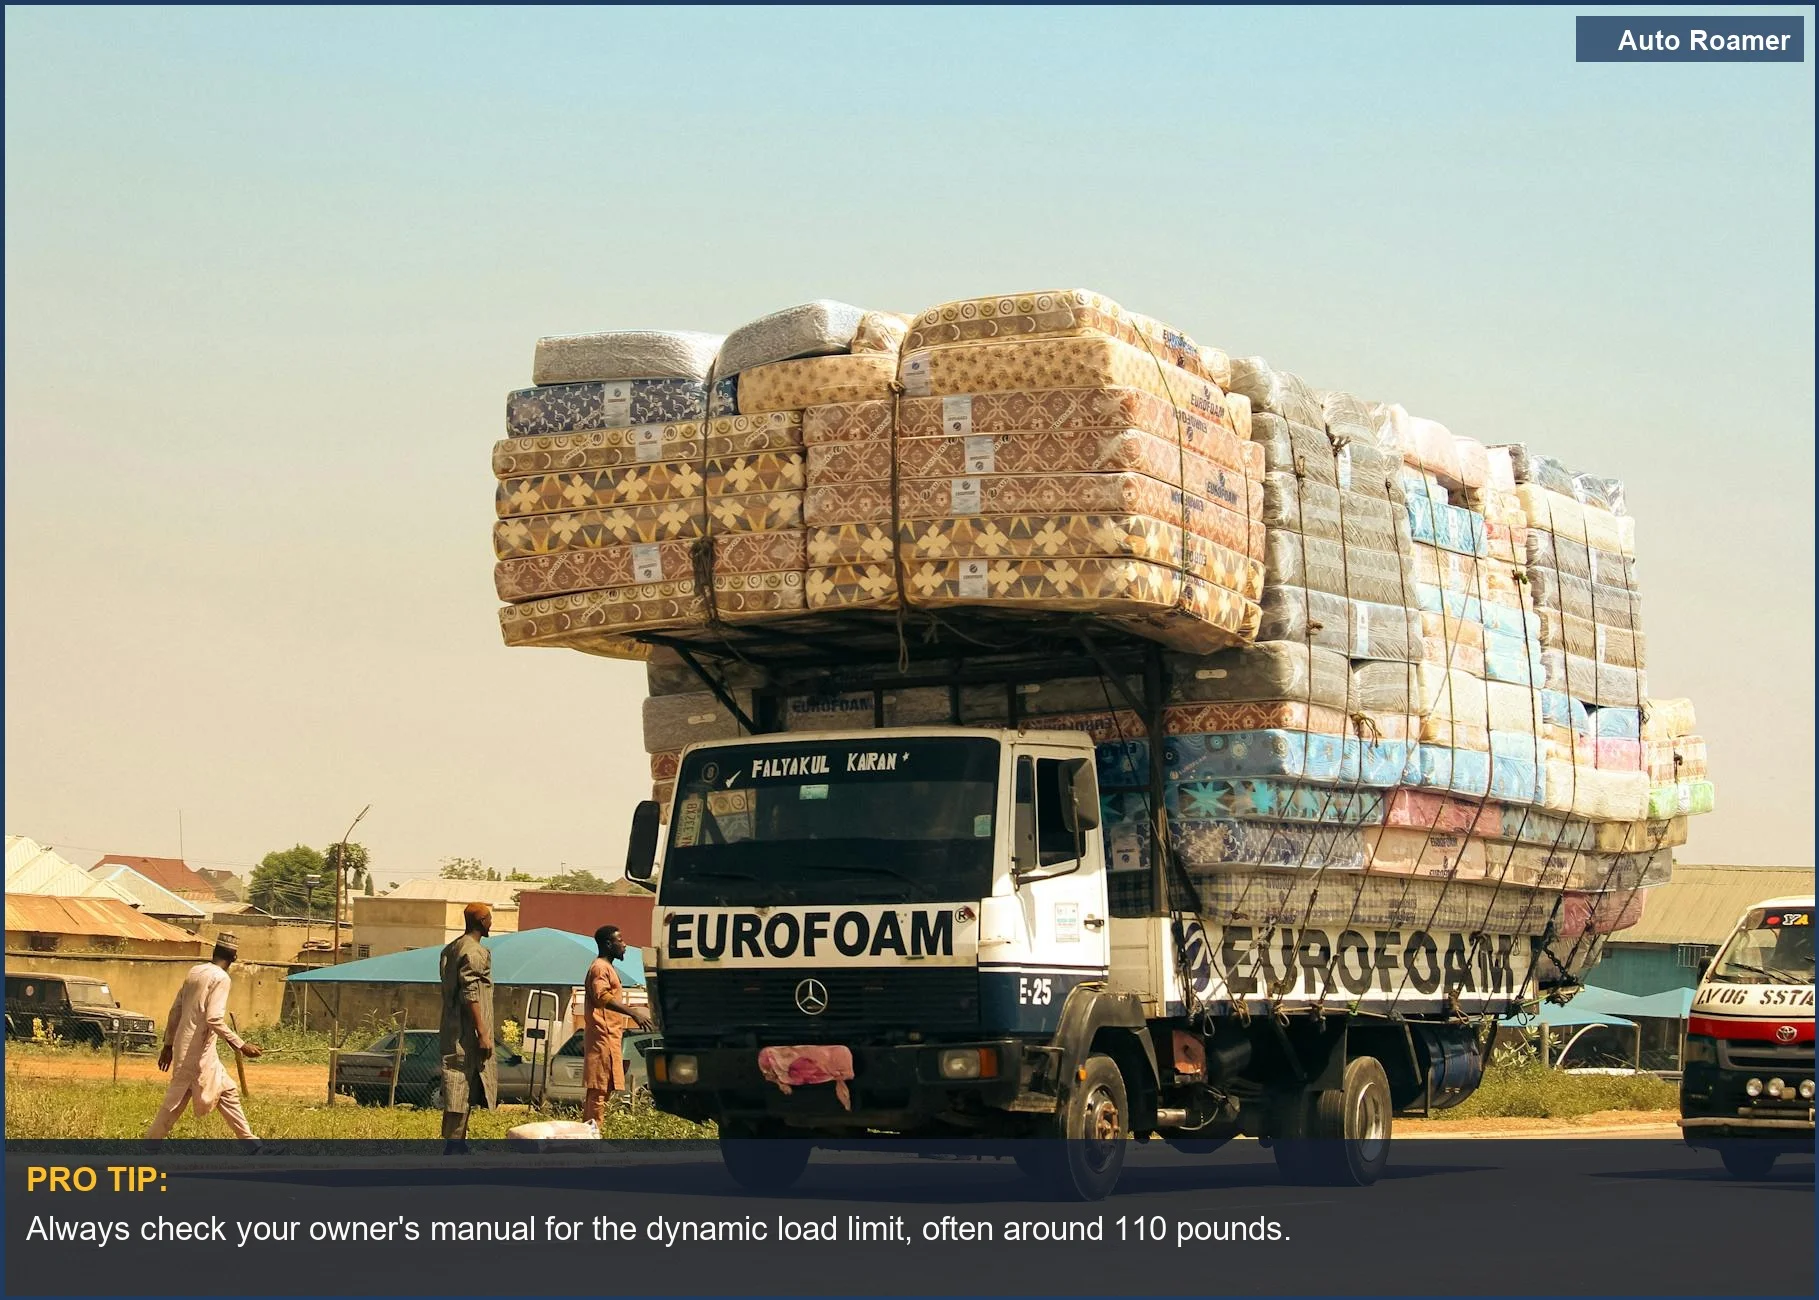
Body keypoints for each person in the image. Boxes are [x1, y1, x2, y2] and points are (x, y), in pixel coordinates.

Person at [146, 934, 262, 1146]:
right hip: (196, 1052)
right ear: (233, 957)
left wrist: (169, 1045)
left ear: (214, 952)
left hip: (193, 1048)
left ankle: (252, 1145)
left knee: (227, 1090)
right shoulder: (221, 978)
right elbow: (213, 1018)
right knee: (175, 1103)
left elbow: (176, 1010)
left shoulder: (195, 971)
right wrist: (241, 1045)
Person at [439, 902, 496, 1154]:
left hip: (453, 1028)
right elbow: (470, 992)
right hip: (468, 1031)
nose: (491, 923)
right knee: (460, 1082)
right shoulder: (474, 952)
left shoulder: (451, 948)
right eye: (489, 919)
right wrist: (482, 1032)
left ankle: (457, 1141)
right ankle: (454, 1145)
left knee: (461, 1083)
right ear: (482, 921)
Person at [583, 925, 654, 1125]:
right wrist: (633, 1013)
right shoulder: (599, 967)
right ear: (608, 944)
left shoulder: (608, 968)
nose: (624, 945)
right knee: (599, 1088)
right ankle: (593, 1133)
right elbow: (601, 996)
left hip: (611, 1036)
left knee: (605, 1088)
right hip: (602, 1035)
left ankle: (591, 1132)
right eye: (620, 941)